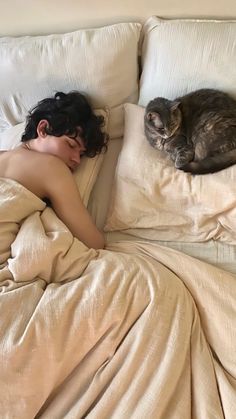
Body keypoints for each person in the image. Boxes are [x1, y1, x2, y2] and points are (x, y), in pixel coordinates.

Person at [0, 91, 108, 249]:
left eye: (81, 154)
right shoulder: (52, 166)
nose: (77, 160)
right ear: (43, 129)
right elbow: (92, 242)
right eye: (71, 145)